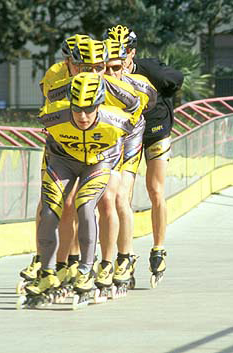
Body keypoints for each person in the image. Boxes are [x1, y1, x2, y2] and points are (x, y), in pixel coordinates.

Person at [24, 72, 136, 303]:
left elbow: (132, 129)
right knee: (49, 209)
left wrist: (114, 170)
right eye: (77, 109)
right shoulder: (52, 116)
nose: (83, 116)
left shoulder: (117, 121)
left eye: (89, 108)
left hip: (99, 161)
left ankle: (86, 270)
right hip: (63, 161)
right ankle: (47, 273)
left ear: (99, 104)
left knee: (85, 206)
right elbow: (49, 144)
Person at [104, 25, 183, 287]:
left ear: (133, 53)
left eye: (124, 53)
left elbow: (176, 79)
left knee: (155, 190)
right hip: (128, 136)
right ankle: (124, 255)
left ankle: (158, 247)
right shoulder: (106, 72)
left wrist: (165, 99)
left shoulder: (149, 70)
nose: (119, 59)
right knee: (120, 197)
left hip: (155, 132)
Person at [18, 34, 89, 294]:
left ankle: (72, 259)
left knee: (80, 203)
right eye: (76, 63)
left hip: (90, 146)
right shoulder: (55, 74)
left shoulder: (95, 75)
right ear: (67, 60)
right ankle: (41, 258)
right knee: (52, 202)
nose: (82, 70)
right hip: (61, 144)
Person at [98, 39, 157, 289]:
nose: (110, 74)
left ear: (125, 66)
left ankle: (125, 257)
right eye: (105, 68)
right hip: (103, 142)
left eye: (116, 68)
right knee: (97, 200)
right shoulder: (92, 86)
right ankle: (87, 261)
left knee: (120, 197)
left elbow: (151, 105)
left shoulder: (139, 87)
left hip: (128, 142)